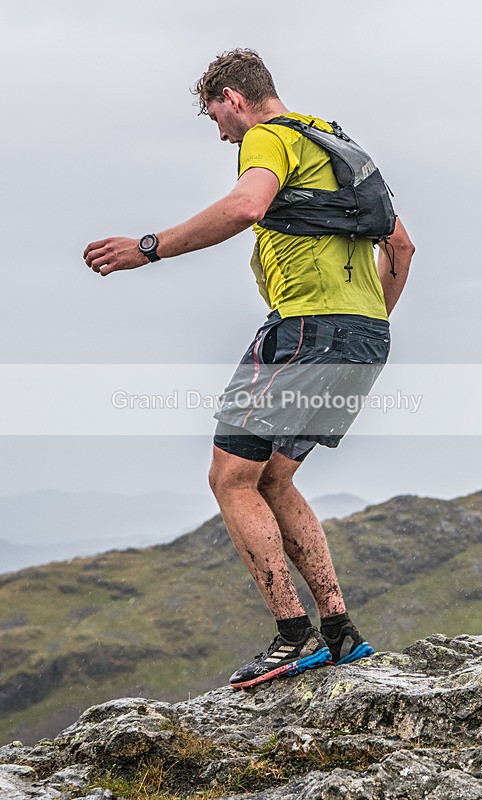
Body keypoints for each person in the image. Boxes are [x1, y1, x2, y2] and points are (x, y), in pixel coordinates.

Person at [84, 49, 415, 690]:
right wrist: (364, 327)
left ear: (234, 99)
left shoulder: (269, 137)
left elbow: (245, 207)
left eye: (217, 118)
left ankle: (293, 636)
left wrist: (148, 248)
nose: (222, 136)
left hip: (304, 330)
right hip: (365, 338)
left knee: (230, 478)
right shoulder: (337, 145)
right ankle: (339, 631)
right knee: (274, 480)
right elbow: (401, 244)